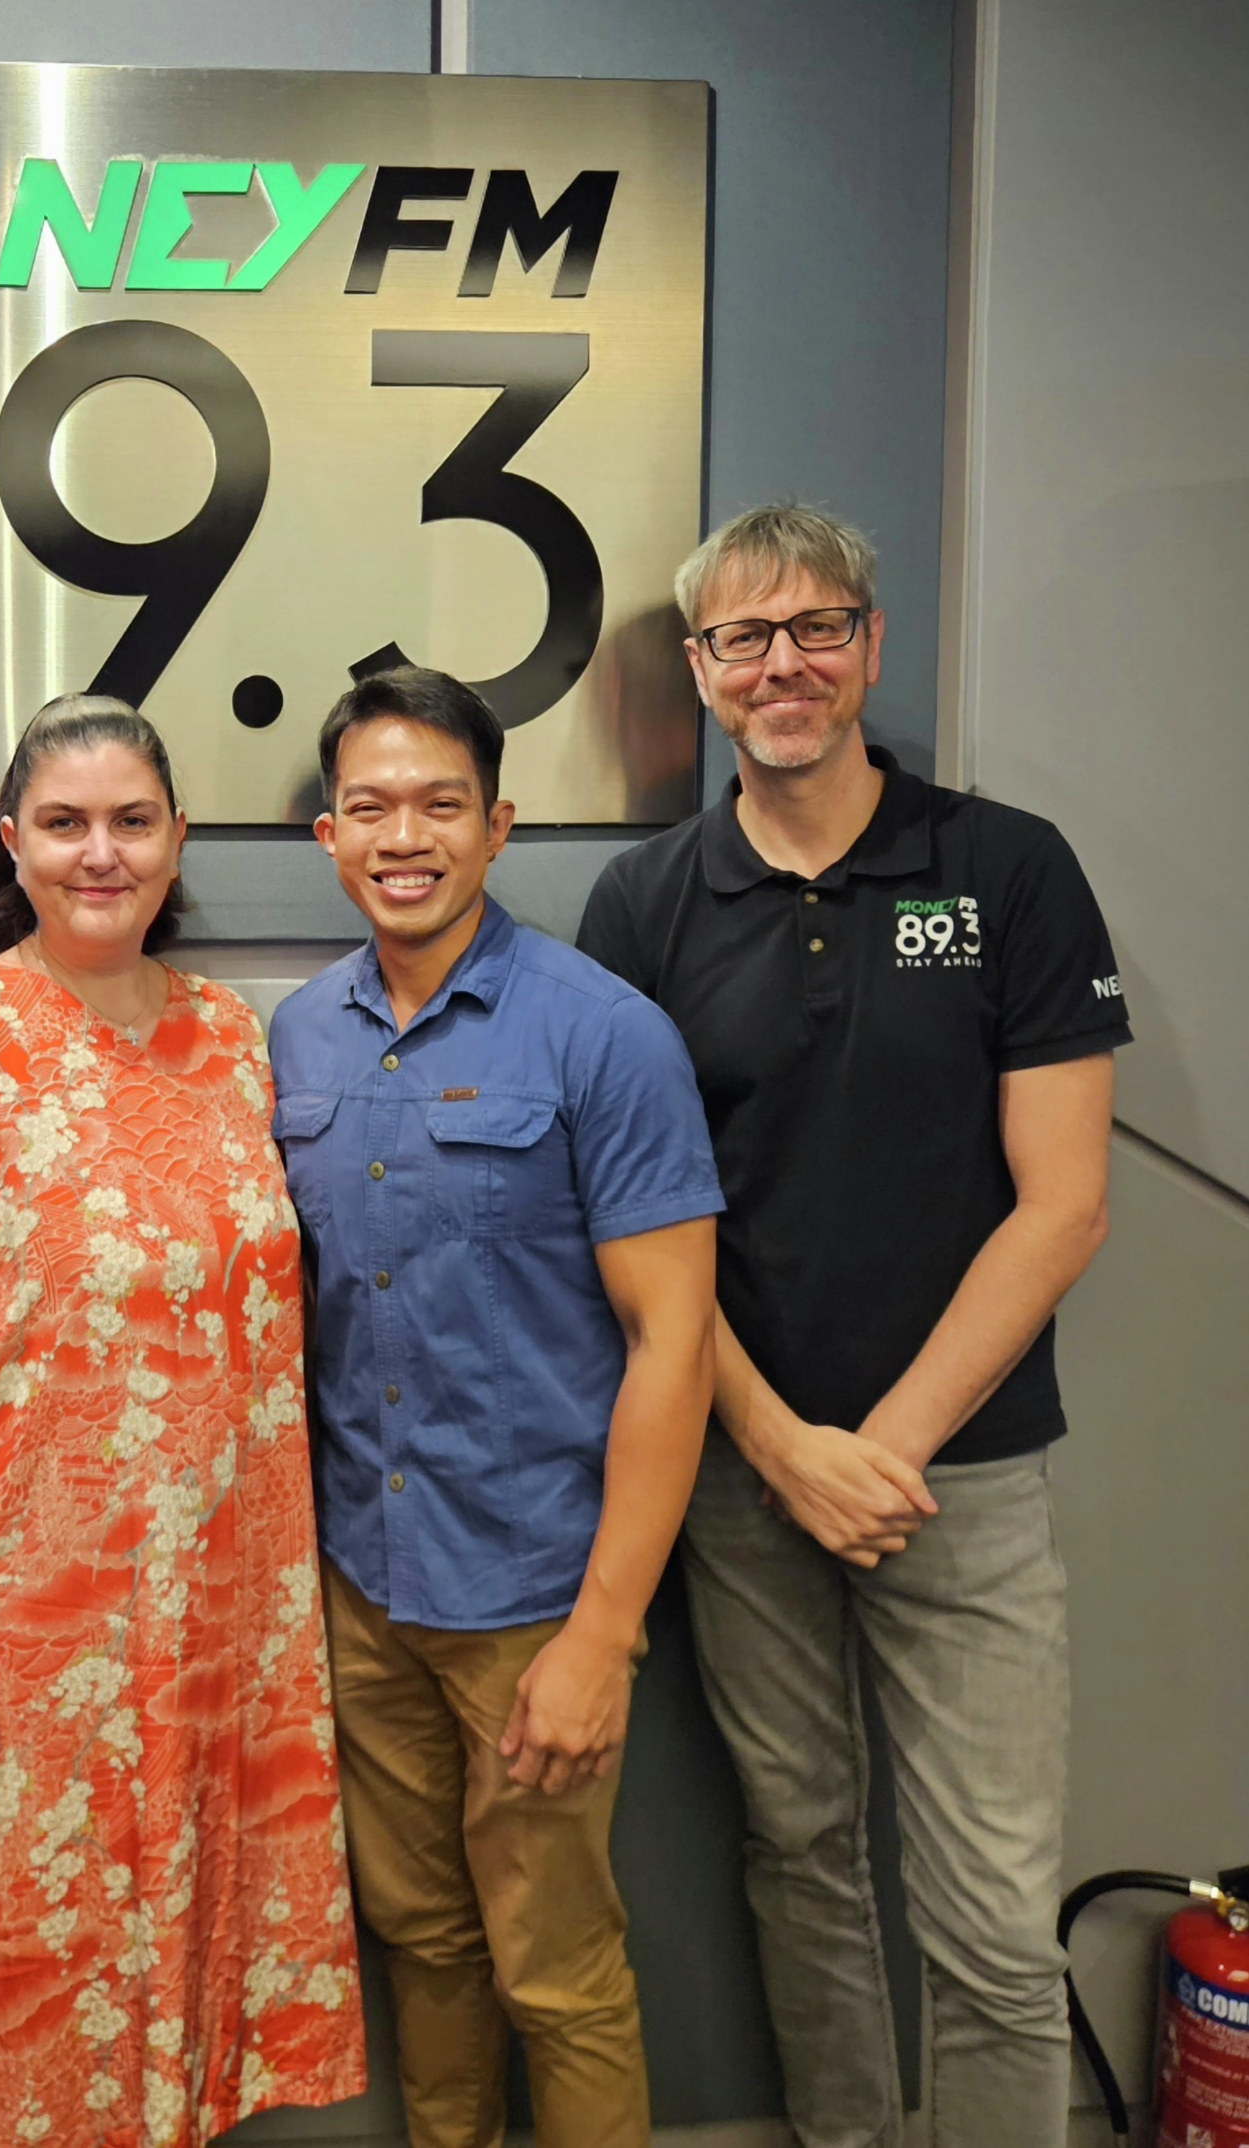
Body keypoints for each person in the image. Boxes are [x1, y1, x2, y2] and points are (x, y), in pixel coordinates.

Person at [576, 502, 1130, 2148]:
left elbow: (1065, 1205)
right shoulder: (645, 904)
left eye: (817, 627)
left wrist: (880, 1451)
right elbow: (635, 1230)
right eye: (745, 637)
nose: (785, 665)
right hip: (742, 1481)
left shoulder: (1007, 869)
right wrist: (781, 1447)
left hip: (964, 1479)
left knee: (993, 1914)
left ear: (871, 648)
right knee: (802, 1858)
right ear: (702, 672)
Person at [0, 696, 367, 2148]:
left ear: (177, 839)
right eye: (65, 824)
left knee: (185, 2010)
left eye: (132, 822)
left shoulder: (233, 1041)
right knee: (31, 2012)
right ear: (11, 841)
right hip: (19, 1631)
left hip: (220, 1629)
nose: (100, 853)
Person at [268, 666, 722, 2148]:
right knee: (423, 1940)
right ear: (330, 834)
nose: (405, 836)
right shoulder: (294, 1039)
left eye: (440, 805)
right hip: (363, 1590)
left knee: (558, 1970)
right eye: (372, 807)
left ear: (499, 824)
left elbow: (674, 1344)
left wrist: (604, 1636)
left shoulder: (604, 1035)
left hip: (534, 1597)